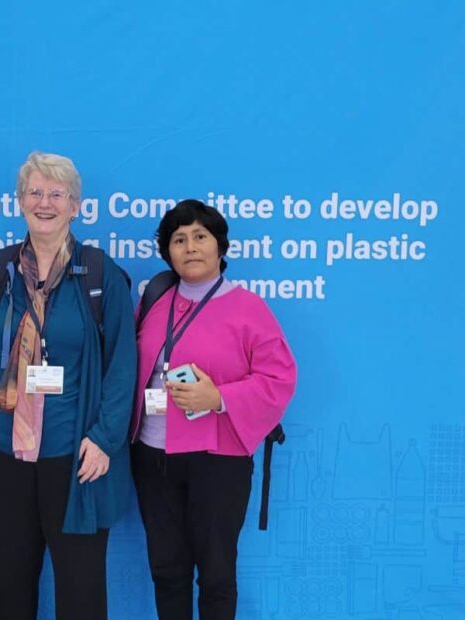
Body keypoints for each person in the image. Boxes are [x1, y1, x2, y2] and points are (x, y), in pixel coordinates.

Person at [0, 151, 136, 619]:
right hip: (0, 445)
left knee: (80, 584)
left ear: (76, 206)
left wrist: (105, 438)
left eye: (57, 194)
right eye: (35, 192)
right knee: (9, 577)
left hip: (75, 452)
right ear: (19, 202)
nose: (45, 202)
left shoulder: (98, 273)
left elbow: (122, 367)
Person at [130, 199, 297, 619]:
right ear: (167, 251)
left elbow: (280, 379)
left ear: (220, 247)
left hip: (217, 460)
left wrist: (218, 398)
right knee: (166, 571)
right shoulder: (153, 303)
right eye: (179, 239)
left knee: (217, 576)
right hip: (152, 457)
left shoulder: (248, 308)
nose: (190, 247)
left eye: (201, 237)